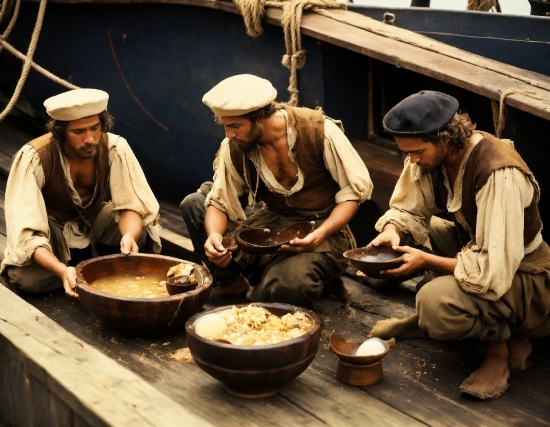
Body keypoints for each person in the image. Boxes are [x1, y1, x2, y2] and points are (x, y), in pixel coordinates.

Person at [367, 90, 550, 399]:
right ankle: (503, 333)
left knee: (433, 304)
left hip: (525, 279)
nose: (411, 159)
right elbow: (406, 209)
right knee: (409, 235)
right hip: (477, 253)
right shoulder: (428, 157)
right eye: (406, 152)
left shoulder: (497, 172)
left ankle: (499, 355)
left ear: (445, 140)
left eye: (416, 151)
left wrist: (427, 262)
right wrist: (391, 230)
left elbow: (493, 271)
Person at [180, 74, 373, 307]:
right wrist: (213, 238)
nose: (229, 134)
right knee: (195, 204)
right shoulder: (235, 147)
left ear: (261, 117)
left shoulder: (319, 131)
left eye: (235, 126)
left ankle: (318, 280)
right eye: (224, 125)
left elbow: (353, 193)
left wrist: (318, 236)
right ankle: (230, 282)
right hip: (272, 221)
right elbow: (220, 202)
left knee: (283, 287)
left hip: (321, 226)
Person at [0, 88, 162, 298]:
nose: (90, 139)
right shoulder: (35, 157)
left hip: (95, 221)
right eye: (78, 132)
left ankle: (83, 263)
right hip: (52, 229)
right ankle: (80, 267)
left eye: (95, 128)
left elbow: (131, 204)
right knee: (24, 280)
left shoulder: (114, 146)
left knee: (143, 233)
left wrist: (129, 236)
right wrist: (59, 270)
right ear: (60, 132)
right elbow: (28, 235)